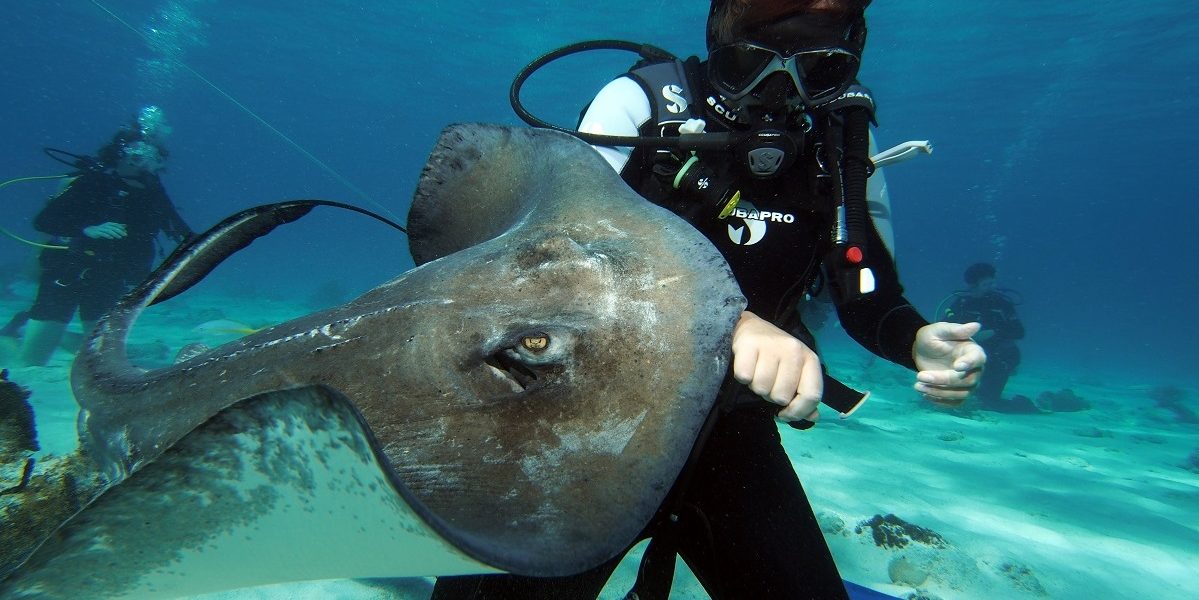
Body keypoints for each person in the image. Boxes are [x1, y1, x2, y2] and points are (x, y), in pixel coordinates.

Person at [434, 1, 985, 598]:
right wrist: (726, 319)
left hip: (727, 425)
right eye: (749, 63)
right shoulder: (640, 104)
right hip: (578, 416)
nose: (782, 89)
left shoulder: (845, 143)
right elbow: (554, 257)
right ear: (717, 39)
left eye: (819, 70)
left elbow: (865, 288)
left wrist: (917, 340)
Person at [17, 106, 194, 366]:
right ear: (120, 153)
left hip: (111, 277)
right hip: (70, 271)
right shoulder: (94, 180)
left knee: (103, 359)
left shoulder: (152, 188)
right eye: (134, 154)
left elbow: (179, 229)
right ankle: (14, 336)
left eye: (149, 156)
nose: (141, 161)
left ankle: (72, 342)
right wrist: (86, 229)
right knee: (32, 361)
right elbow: (44, 221)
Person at [940, 262, 1033, 413]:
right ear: (972, 285)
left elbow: (1019, 332)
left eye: (992, 283)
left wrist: (994, 332)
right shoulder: (962, 303)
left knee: (988, 400)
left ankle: (991, 394)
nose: (991, 287)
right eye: (986, 284)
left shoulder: (1002, 304)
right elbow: (943, 329)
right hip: (967, 353)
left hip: (997, 354)